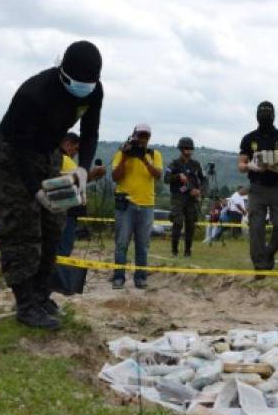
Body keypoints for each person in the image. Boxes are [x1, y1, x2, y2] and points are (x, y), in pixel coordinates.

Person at [0, 40, 102, 330]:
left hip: (50, 154)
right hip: (14, 157)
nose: (85, 88)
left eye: (90, 83)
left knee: (55, 224)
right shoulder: (33, 94)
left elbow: (90, 132)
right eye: (79, 83)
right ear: (63, 73)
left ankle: (41, 295)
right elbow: (19, 150)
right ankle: (25, 303)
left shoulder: (93, 90)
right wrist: (35, 190)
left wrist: (82, 168)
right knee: (21, 227)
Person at [238, 102, 278, 274]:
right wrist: (250, 166)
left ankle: (268, 252)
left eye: (268, 113)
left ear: (273, 115)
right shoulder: (249, 139)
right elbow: (240, 165)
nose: (265, 116)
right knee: (256, 228)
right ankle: (260, 267)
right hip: (257, 187)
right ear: (257, 115)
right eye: (262, 113)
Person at [51, 132, 107, 295]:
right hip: (66, 213)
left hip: (63, 211)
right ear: (67, 143)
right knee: (62, 250)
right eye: (76, 148)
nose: (76, 153)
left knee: (60, 249)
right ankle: (54, 286)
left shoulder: (55, 158)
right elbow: (75, 180)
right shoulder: (63, 159)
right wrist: (94, 174)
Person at [110, 124, 163, 289]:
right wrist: (126, 156)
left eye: (145, 136)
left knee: (143, 244)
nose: (142, 139)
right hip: (126, 204)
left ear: (149, 138)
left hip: (147, 204)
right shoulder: (122, 153)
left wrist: (144, 159)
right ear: (133, 136)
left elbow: (158, 175)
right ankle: (119, 277)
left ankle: (140, 278)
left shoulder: (154, 154)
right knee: (121, 242)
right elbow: (115, 177)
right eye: (140, 135)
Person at [165, 137, 205, 257]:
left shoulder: (196, 165)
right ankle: (174, 250)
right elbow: (166, 178)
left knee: (190, 224)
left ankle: (188, 251)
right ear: (181, 149)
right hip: (178, 196)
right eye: (186, 148)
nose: (188, 150)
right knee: (177, 222)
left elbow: (204, 180)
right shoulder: (174, 163)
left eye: (190, 148)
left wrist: (199, 191)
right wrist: (177, 176)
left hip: (191, 198)